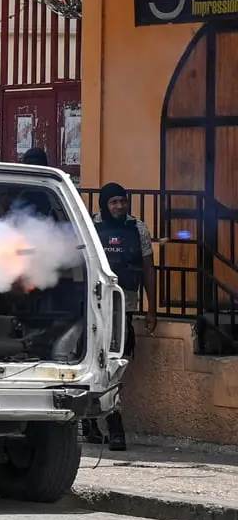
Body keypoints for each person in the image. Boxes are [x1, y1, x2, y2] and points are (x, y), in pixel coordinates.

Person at [89, 182, 157, 451]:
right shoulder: (90, 226)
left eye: (122, 201)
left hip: (124, 308)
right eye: (113, 202)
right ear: (104, 204)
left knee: (116, 365)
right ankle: (94, 424)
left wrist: (152, 308)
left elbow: (149, 269)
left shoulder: (137, 228)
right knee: (94, 364)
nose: (119, 207)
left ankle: (113, 426)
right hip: (93, 308)